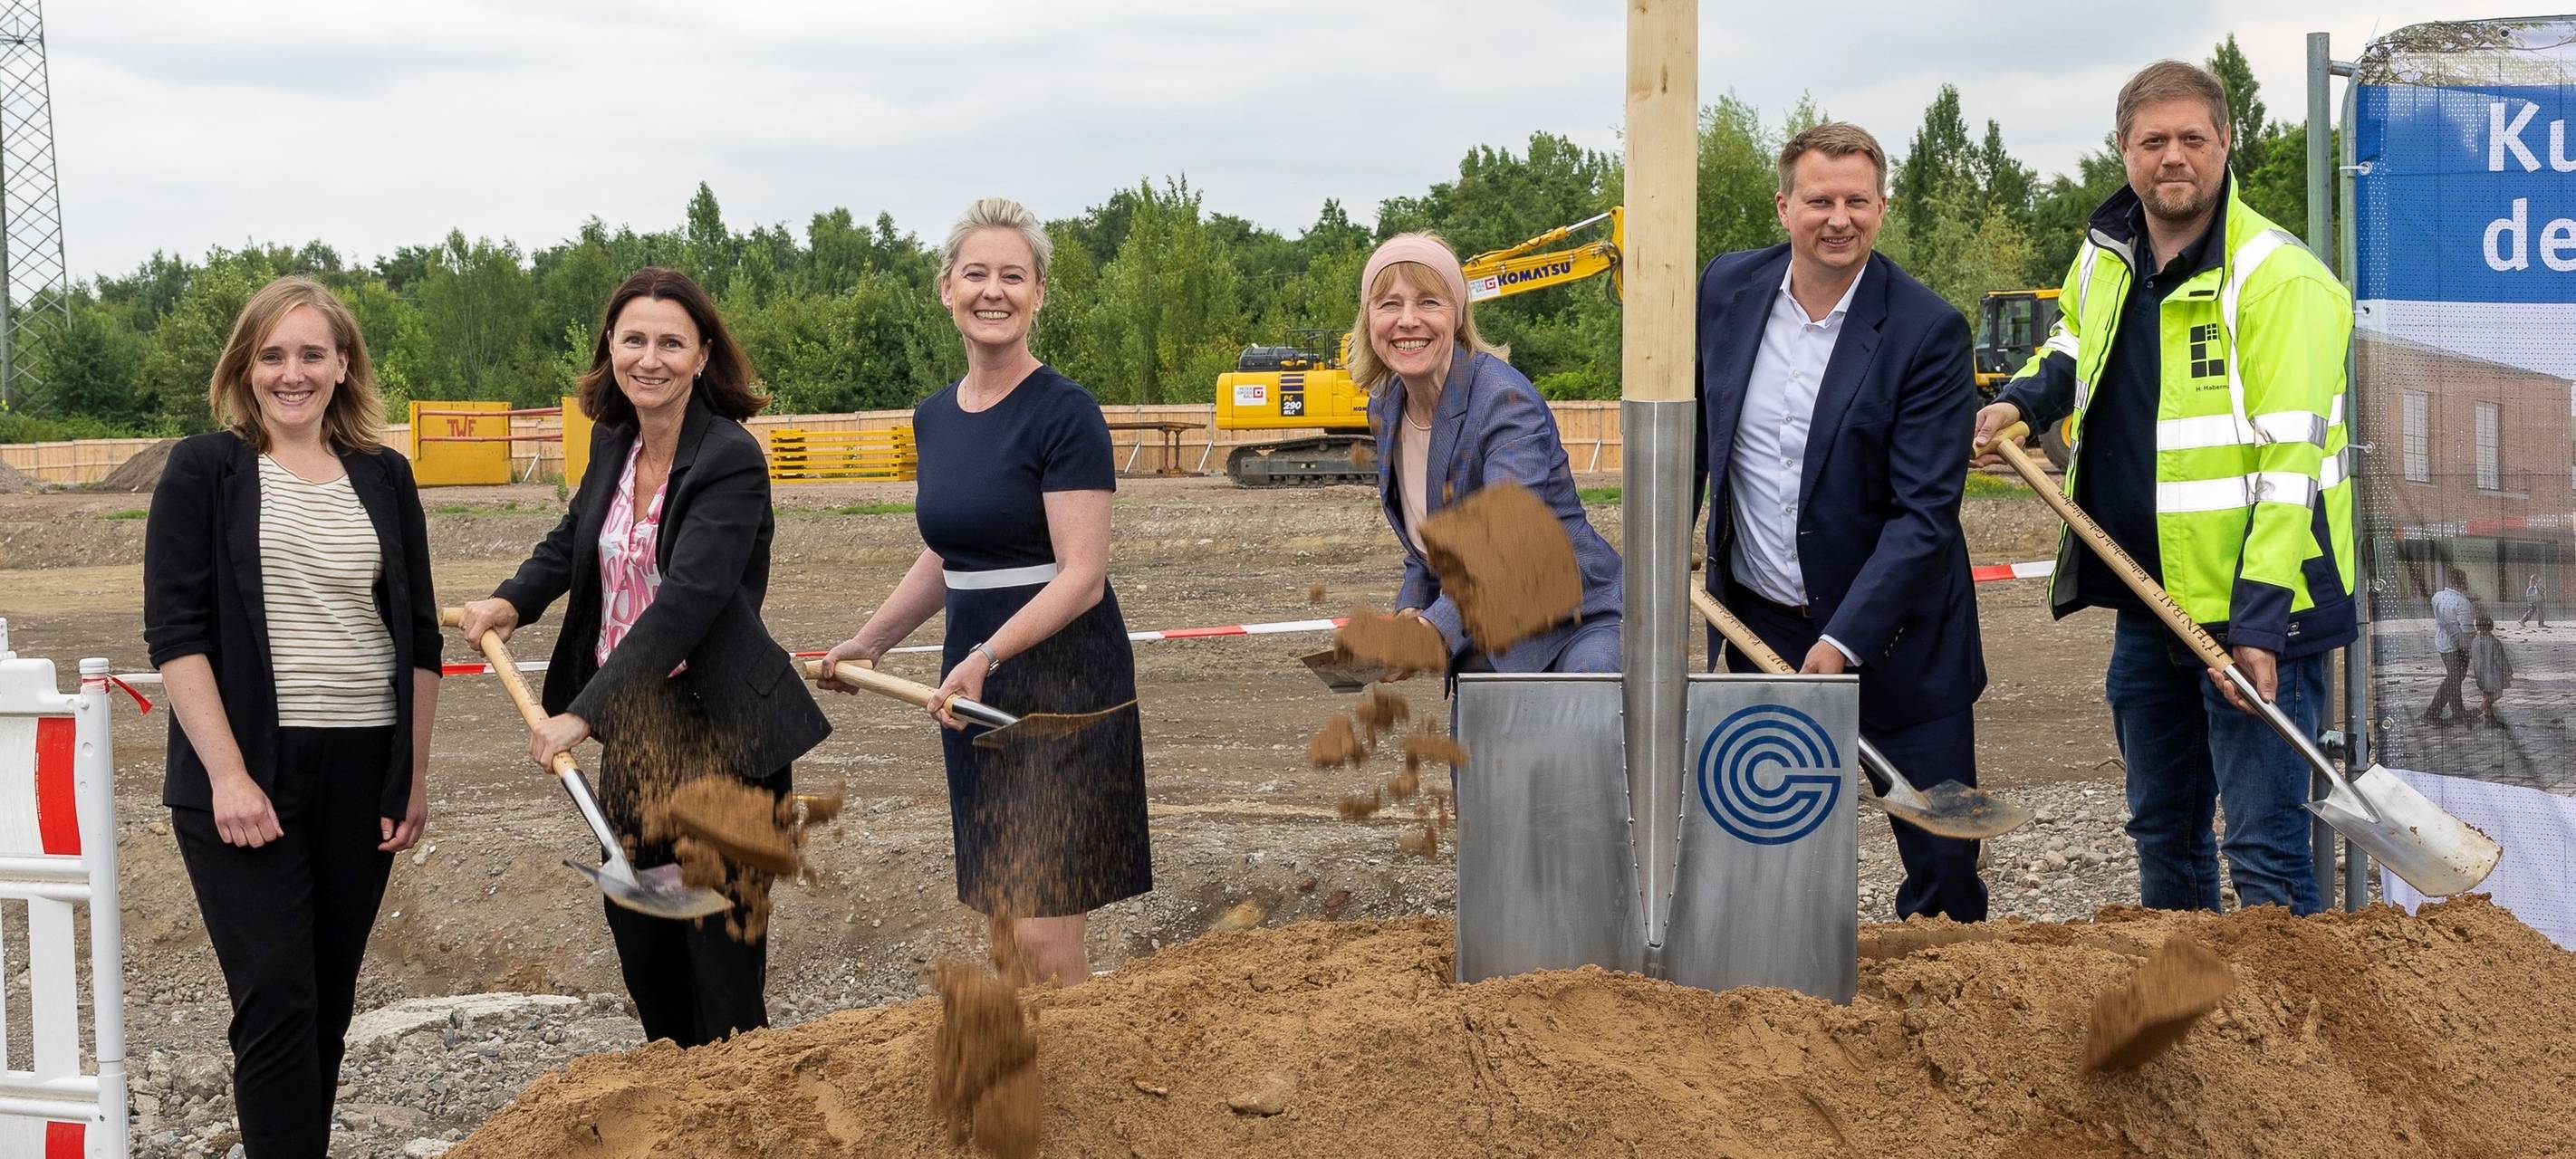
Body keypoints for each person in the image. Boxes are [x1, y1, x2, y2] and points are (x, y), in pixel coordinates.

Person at [1972, 60, 2356, 915]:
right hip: (2150, 601)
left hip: (2259, 611)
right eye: (2153, 141)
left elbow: (2290, 469)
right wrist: (2019, 405)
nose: (2171, 156)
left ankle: (2289, 1039)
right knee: (2163, 832)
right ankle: (2189, 1020)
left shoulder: (2277, 280)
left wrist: (2258, 627)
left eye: (2191, 138)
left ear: (2225, 143)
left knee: (2262, 846)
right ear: (2124, 150)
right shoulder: (2107, 257)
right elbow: (2074, 346)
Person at [455, 267, 830, 1047]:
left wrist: (584, 713)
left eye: (670, 342)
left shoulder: (729, 460)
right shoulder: (615, 439)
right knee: (648, 960)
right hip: (640, 740)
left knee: (721, 979)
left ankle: (738, 1120)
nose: (649, 358)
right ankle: (674, 1114)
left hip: (723, 739)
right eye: (634, 340)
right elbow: (574, 540)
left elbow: (683, 609)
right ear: (611, 350)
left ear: (701, 356)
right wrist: (511, 600)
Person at [820, 198, 1151, 987]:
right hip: (972, 685)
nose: (992, 290)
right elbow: (950, 551)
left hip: (1063, 686)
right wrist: (872, 640)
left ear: (1039, 295)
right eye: (976, 273)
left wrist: (983, 655)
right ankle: (1031, 1092)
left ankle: (1088, 1094)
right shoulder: (935, 417)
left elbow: (1082, 575)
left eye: (1014, 275)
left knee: (1042, 930)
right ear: (946, 289)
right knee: (1006, 921)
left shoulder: (1066, 413)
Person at [142, 275, 438, 1158]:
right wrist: (228, 774)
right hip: (244, 774)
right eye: (272, 354)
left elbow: (418, 634)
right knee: (275, 994)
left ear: (344, 366)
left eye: (312, 353)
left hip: (361, 770)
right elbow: (176, 631)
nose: (291, 371)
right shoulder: (207, 469)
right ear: (246, 366)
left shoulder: (386, 476)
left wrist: (412, 776)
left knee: (325, 1001)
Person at [1694, 122, 1988, 921]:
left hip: (1898, 641)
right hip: (1765, 631)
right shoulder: (1725, 289)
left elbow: (1924, 514)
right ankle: (1785, 1012)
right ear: (1784, 205)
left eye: (1858, 201)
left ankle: (1948, 997)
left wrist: (1843, 642)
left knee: (1944, 862)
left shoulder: (1927, 331)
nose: (1839, 217)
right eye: (1819, 199)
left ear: (1882, 207)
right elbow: (1697, 430)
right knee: (1770, 846)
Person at [1351, 231, 1622, 675]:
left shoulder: (1503, 401)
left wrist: (1431, 631)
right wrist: (1411, 608)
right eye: (1389, 304)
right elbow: (1430, 534)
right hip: (1485, 639)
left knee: (1577, 741)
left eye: (1428, 302)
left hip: (1572, 630)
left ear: (1457, 315)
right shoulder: (1386, 405)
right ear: (1369, 320)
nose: (1407, 320)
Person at [2427, 569, 2473, 726]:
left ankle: (2458, 712)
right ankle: (2432, 713)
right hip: (2458, 645)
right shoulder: (2462, 602)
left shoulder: (2437, 596)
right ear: (2463, 581)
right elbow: (2467, 630)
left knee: (2455, 677)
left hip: (2441, 641)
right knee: (2454, 679)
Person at [2471, 613, 2514, 727]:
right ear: (2491, 627)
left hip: (2480, 672)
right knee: (2498, 693)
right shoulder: (2494, 642)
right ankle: (2478, 711)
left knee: (2486, 694)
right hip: (2493, 672)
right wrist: (2508, 672)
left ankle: (2489, 719)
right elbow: (2500, 659)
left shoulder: (2474, 642)